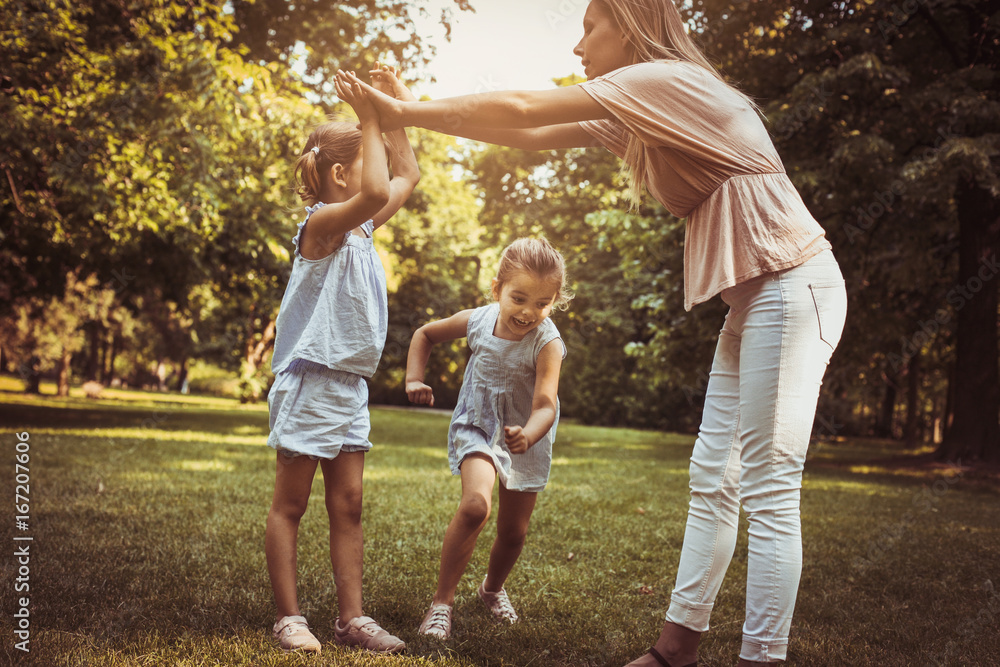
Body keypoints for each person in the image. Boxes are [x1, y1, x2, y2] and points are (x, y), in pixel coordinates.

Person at [337, 0, 848, 664]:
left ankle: (762, 656)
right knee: (711, 479)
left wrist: (403, 112)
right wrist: (412, 110)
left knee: (769, 486)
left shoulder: (666, 81)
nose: (578, 47)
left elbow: (523, 108)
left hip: (793, 285)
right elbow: (523, 133)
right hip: (758, 299)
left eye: (589, 28)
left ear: (631, 24)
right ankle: (673, 651)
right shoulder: (639, 111)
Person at [264, 64, 420, 655]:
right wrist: (371, 118)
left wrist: (395, 113)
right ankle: (289, 618)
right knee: (291, 504)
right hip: (310, 382)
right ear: (338, 175)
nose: (375, 167)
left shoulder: (362, 231)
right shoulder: (323, 228)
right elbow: (380, 190)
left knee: (348, 505)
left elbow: (407, 174)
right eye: (366, 154)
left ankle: (352, 619)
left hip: (349, 386)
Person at [404, 237, 571, 640]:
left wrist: (528, 434)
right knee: (476, 505)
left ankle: (491, 589)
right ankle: (441, 604)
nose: (529, 312)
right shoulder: (478, 319)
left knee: (514, 532)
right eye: (519, 298)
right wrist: (413, 378)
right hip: (477, 424)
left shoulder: (548, 344)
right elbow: (425, 334)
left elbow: (546, 404)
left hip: (525, 437)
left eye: (542, 303)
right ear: (497, 289)